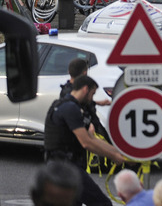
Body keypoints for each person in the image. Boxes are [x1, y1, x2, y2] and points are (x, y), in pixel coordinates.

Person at [43, 75, 126, 206]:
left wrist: (119, 152)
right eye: (92, 94)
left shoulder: (71, 106)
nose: (92, 99)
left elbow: (92, 138)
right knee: (102, 203)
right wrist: (113, 156)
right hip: (65, 168)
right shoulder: (70, 108)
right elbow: (86, 142)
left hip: (64, 167)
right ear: (85, 89)